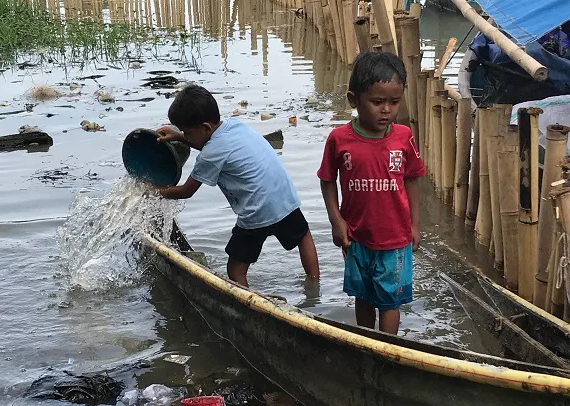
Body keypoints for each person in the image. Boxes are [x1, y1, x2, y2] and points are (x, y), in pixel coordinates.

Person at [154, 84, 320, 287]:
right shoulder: (235, 125)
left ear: (205, 127)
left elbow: (185, 191)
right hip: (284, 199)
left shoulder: (210, 154)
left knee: (235, 268)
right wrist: (180, 137)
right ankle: (314, 285)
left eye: (186, 132)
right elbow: (208, 142)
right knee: (303, 236)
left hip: (257, 211)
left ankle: (247, 302)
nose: (184, 136)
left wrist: (153, 191)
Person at [317, 52, 426, 334]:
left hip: (395, 237)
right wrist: (336, 221)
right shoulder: (339, 139)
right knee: (362, 295)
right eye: (377, 102)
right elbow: (327, 180)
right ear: (354, 100)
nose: (387, 110)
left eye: (394, 102)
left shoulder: (403, 137)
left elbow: (412, 180)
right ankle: (367, 343)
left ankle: (388, 349)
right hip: (356, 236)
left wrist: (414, 224)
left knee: (390, 301)